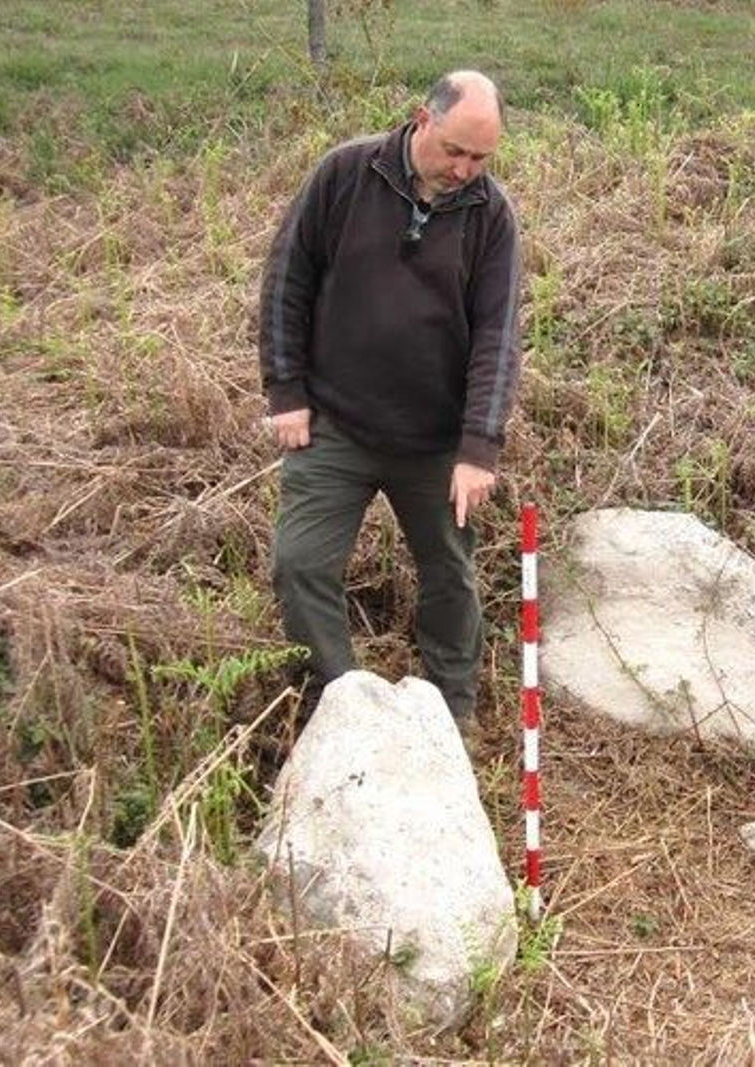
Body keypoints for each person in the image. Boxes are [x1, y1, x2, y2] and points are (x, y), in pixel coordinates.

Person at [258, 70, 521, 746]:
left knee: (450, 577)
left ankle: (451, 716)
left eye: (481, 158)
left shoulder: (490, 215)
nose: (465, 169)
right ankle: (339, 702)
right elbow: (288, 278)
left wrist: (477, 449)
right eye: (456, 150)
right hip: (336, 424)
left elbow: (498, 336)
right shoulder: (346, 174)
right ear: (421, 120)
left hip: (435, 440)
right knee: (301, 563)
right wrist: (286, 392)